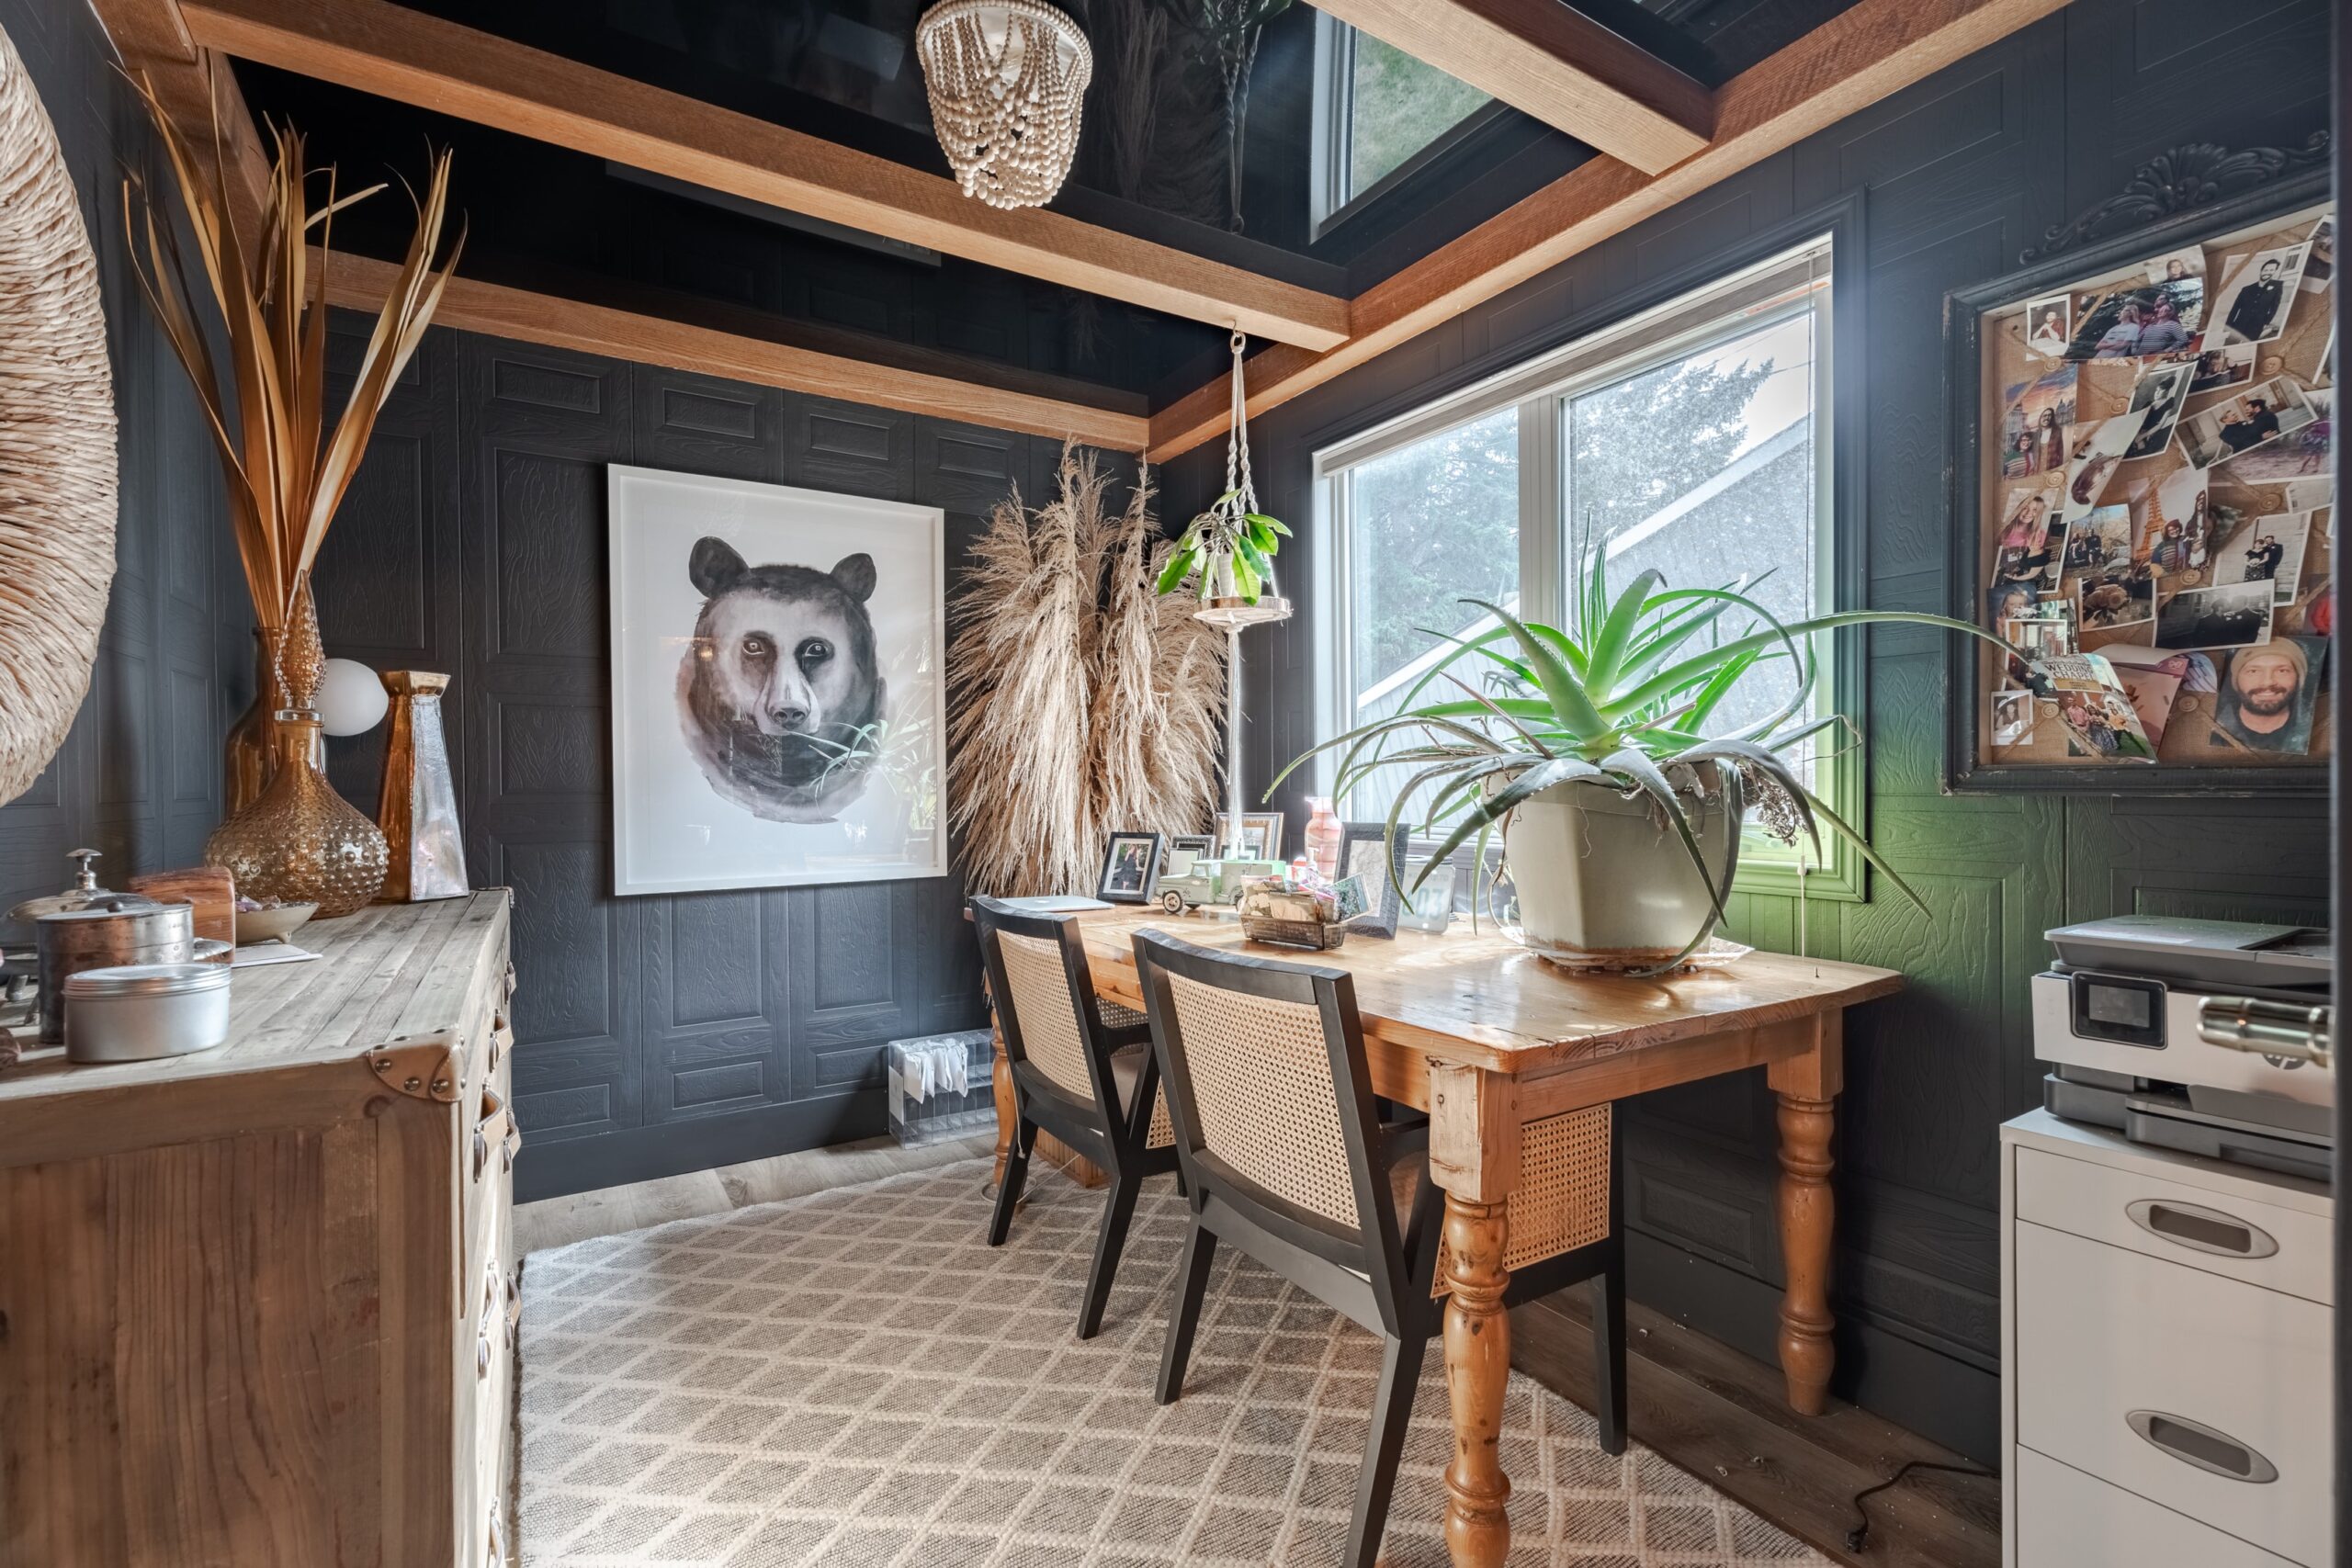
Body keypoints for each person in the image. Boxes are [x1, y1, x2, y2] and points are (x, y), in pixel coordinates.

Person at [2214, 639, 2311, 751]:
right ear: (2236, 680)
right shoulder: (2210, 729)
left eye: (2282, 671)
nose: (2267, 682)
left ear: (2299, 678)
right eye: (2253, 671)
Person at [2224, 257, 2286, 344]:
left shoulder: (2277, 287)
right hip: (2239, 324)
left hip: (2256, 326)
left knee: (2248, 346)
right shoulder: (2246, 289)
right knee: (2230, 343)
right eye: (2266, 269)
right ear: (2261, 270)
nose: (2268, 272)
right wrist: (2229, 325)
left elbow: (2274, 307)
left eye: (2271, 270)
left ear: (2275, 271)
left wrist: (2266, 322)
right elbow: (2235, 308)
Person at [2033, 407, 2067, 473]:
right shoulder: (2036, 434)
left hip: (2052, 469)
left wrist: (2059, 470)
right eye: (2045, 415)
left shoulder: (2057, 432)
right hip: (2037, 472)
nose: (2047, 418)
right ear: (2040, 418)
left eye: (2049, 415)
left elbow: (2061, 453)